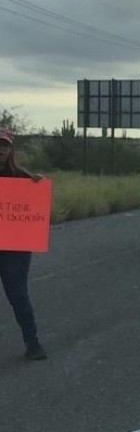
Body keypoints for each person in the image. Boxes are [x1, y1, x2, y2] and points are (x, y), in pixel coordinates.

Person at [0, 128, 47, 361]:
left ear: (11, 149)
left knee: (18, 295)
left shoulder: (20, 177)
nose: (1, 150)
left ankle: (33, 343)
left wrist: (36, 184)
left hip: (14, 249)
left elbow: (34, 207)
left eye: (5, 145)